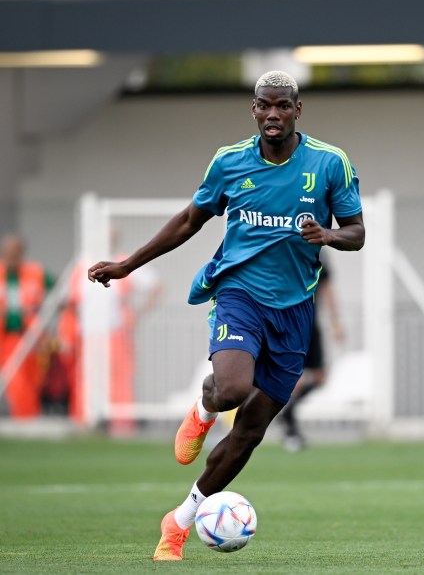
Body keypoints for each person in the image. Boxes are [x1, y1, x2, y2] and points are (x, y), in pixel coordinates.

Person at [87, 71, 364, 561]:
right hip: (239, 294)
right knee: (233, 389)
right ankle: (204, 410)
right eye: (264, 106)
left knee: (252, 431)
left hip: (296, 309)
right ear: (253, 110)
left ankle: (180, 520)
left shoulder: (329, 163)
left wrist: (328, 235)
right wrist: (128, 264)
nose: (273, 114)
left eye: (283, 106)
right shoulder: (230, 161)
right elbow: (191, 220)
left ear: (298, 110)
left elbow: (357, 232)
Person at [60, 229, 163, 432]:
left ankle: (121, 424)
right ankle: (86, 422)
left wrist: (136, 315)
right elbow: (68, 300)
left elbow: (156, 286)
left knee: (119, 380)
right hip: (88, 334)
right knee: (86, 380)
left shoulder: (124, 262)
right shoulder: (82, 264)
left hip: (116, 333)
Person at [278, 251, 345, 452]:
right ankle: (289, 427)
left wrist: (335, 321)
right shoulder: (287, 249)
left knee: (319, 377)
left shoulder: (318, 254)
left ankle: (287, 415)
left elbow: (326, 288)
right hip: (291, 323)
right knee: (295, 377)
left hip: (310, 325)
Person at [1, 234, 55, 419]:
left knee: (33, 379)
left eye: (16, 252)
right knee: (15, 380)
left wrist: (42, 308)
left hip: (30, 338)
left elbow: (59, 291)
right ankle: (23, 418)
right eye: (9, 252)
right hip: (5, 338)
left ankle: (30, 418)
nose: (12, 256)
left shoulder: (36, 272)